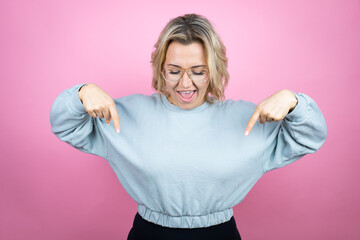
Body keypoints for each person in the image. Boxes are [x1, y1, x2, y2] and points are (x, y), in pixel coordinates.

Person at [50, 13, 327, 240]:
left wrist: (294, 102)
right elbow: (64, 125)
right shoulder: (123, 113)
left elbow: (310, 137)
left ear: (214, 70)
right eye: (174, 71)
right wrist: (82, 93)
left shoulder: (251, 118)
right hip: (149, 234)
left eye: (198, 71)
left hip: (220, 235)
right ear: (161, 69)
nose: (185, 84)